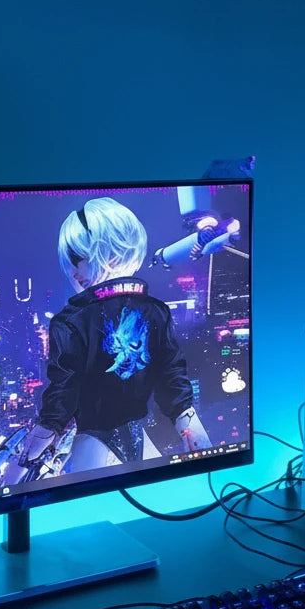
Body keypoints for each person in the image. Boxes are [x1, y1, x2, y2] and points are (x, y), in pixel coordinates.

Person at [19, 197, 210, 472]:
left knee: (88, 501)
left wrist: (45, 431)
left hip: (93, 443)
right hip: (137, 437)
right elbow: (171, 380)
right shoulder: (156, 312)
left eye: (78, 258)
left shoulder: (70, 321)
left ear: (110, 252)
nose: (73, 272)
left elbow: (64, 388)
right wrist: (188, 422)